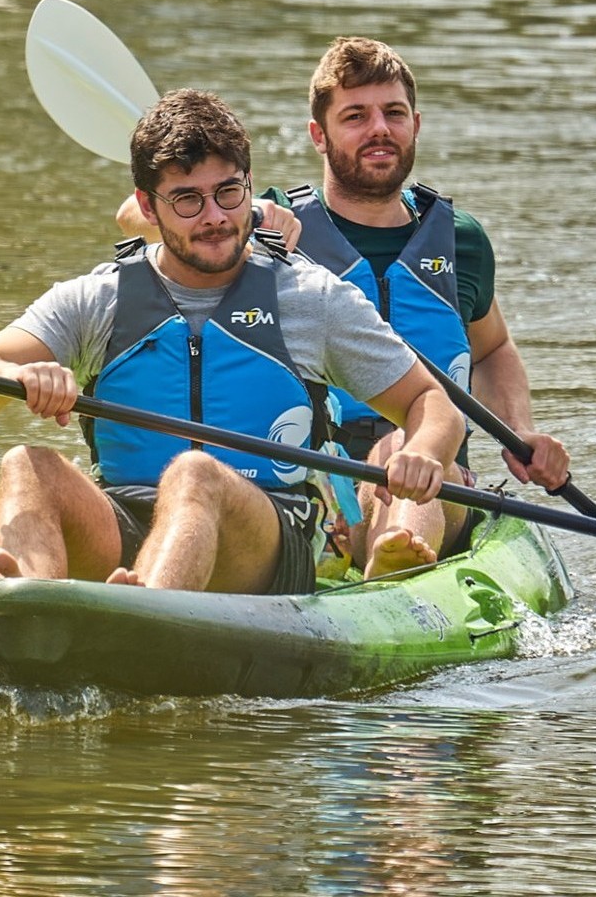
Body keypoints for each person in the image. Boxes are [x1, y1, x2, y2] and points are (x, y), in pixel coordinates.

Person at [0, 88, 466, 592]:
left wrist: (423, 450)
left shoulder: (312, 298)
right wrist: (17, 374)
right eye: (188, 200)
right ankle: (27, 597)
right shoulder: (98, 298)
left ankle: (143, 612)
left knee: (195, 474)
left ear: (249, 186)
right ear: (148, 208)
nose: (215, 217)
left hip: (263, 533)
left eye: (228, 193)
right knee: (28, 465)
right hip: (126, 519)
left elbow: (430, 401)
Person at [116, 38, 570, 575]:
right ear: (319, 135)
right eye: (355, 116)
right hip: (323, 487)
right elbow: (133, 216)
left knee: (402, 445)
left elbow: (492, 348)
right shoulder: (268, 225)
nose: (379, 129)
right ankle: (380, 554)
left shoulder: (461, 239)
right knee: (382, 455)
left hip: (437, 476)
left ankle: (396, 554)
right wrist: (252, 215)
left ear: (415, 125)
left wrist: (521, 429)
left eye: (393, 113)